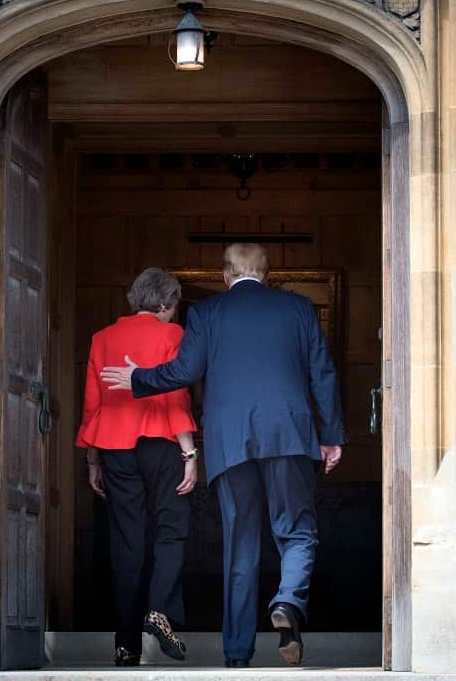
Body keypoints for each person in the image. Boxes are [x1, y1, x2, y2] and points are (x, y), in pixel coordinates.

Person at [101, 243, 345, 668]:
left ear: (226, 275)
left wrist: (138, 378)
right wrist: (332, 436)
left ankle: (236, 653)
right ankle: (288, 600)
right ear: (266, 275)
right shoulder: (299, 309)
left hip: (230, 441)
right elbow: (322, 373)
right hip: (288, 435)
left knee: (240, 546)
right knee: (297, 532)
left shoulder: (206, 313)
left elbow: (185, 372)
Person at [76, 267, 200, 667]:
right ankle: (160, 610)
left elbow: (92, 401)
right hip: (162, 442)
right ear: (164, 303)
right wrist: (190, 453)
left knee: (126, 540)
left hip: (114, 445)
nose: (174, 312)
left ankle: (126, 643)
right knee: (171, 528)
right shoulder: (172, 335)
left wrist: (92, 457)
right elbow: (176, 395)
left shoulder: (102, 338)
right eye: (174, 305)